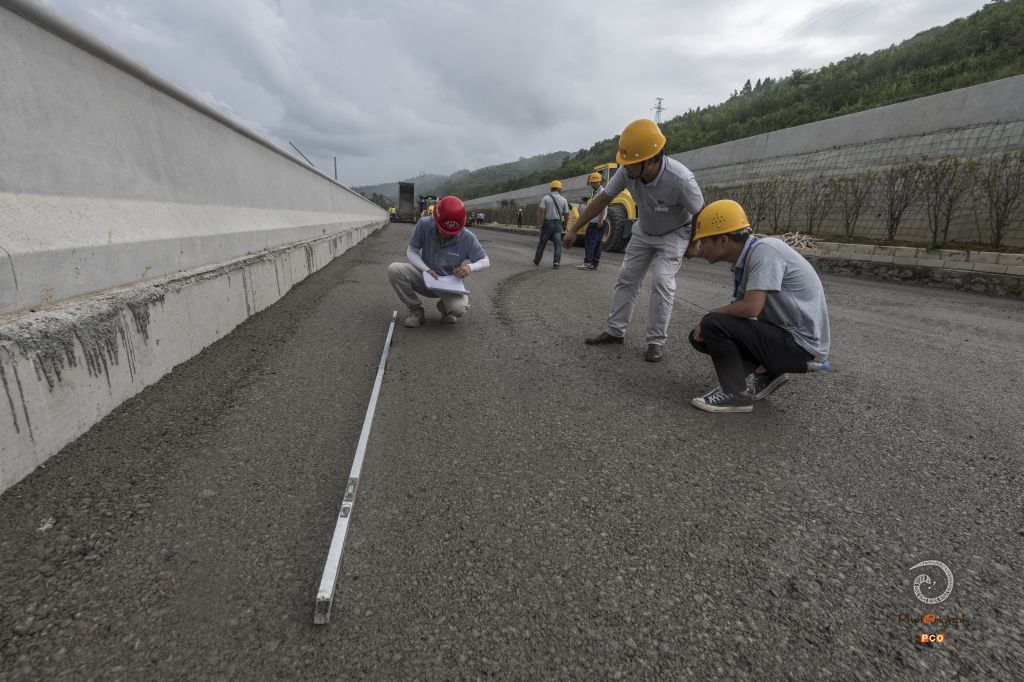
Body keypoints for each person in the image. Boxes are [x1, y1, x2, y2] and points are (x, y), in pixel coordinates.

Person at [564, 119, 704, 362]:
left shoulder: (681, 179)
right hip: (644, 230)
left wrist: (694, 242)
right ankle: (615, 331)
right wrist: (575, 229)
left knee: (662, 281)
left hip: (674, 233)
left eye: (630, 163)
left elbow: (700, 212)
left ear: (649, 161)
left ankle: (655, 342)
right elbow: (602, 200)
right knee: (626, 277)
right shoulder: (628, 171)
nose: (624, 167)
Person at [687, 199, 831, 413]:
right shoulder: (745, 259)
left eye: (703, 241)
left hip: (802, 346)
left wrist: (710, 315)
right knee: (701, 335)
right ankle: (767, 371)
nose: (699, 248)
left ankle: (736, 395)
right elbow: (737, 312)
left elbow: (751, 308)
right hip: (785, 337)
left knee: (712, 324)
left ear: (723, 241)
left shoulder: (765, 251)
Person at [387, 195, 490, 328]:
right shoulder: (424, 224)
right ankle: (416, 310)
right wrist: (426, 269)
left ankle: (445, 308)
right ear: (435, 219)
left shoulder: (467, 237)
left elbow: (485, 260)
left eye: (452, 233)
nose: (447, 234)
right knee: (394, 270)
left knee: (459, 309)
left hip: (449, 284)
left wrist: (470, 267)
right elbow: (411, 252)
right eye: (443, 230)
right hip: (425, 277)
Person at [534, 180, 570, 269]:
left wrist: (541, 224)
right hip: (558, 224)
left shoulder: (546, 198)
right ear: (559, 189)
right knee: (558, 244)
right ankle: (556, 262)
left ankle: (537, 260)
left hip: (548, 223)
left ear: (551, 188)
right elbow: (566, 214)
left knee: (542, 243)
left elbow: (542, 212)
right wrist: (565, 225)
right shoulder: (564, 200)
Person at [578, 172, 607, 271]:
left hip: (596, 221)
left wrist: (600, 220)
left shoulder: (601, 192)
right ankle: (594, 263)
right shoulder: (595, 191)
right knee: (597, 243)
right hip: (596, 220)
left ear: (599, 182)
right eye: (592, 182)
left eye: (595, 182)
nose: (593, 184)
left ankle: (588, 262)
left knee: (590, 242)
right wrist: (588, 200)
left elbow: (603, 206)